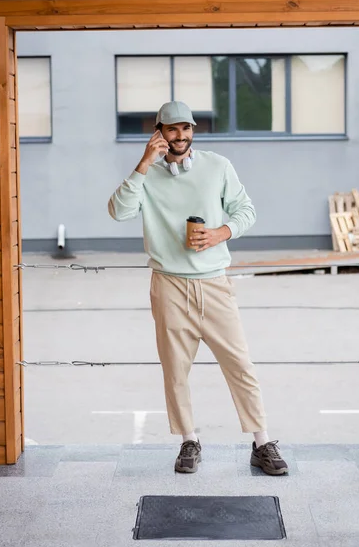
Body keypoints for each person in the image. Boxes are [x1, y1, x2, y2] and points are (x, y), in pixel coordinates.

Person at [108, 101, 288, 476]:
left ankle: (261, 442)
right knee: (175, 370)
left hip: (214, 283)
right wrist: (143, 164)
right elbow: (118, 211)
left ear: (193, 130)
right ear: (158, 132)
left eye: (185, 129)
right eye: (171, 129)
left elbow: (246, 211)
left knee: (240, 365)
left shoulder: (218, 166)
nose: (180, 136)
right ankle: (189, 440)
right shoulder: (148, 175)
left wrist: (221, 232)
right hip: (169, 284)